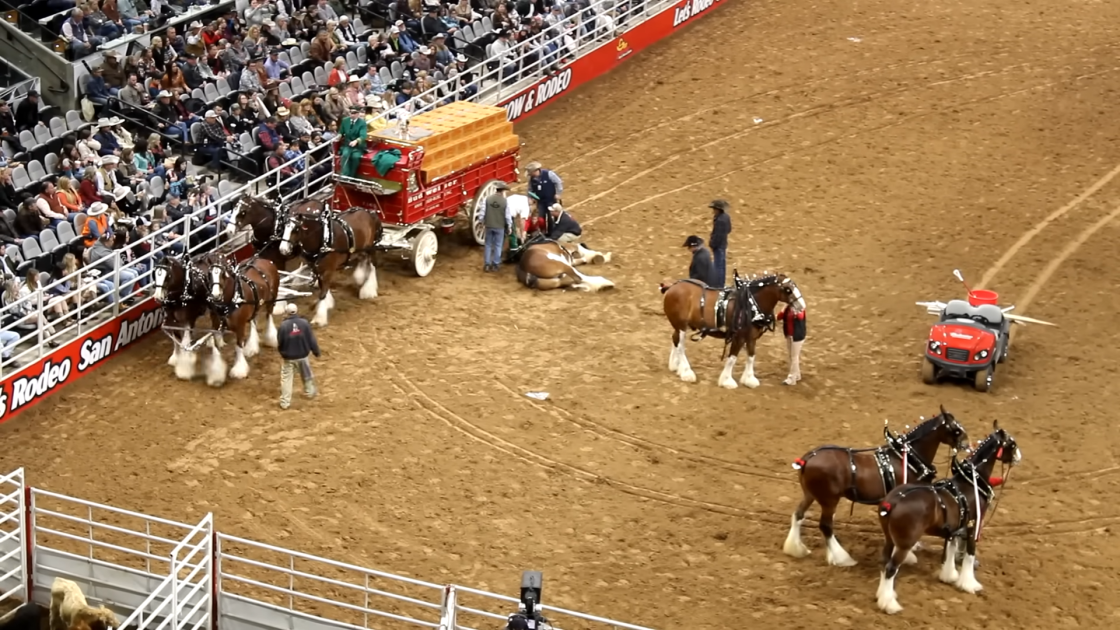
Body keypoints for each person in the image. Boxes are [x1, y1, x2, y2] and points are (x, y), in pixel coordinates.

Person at [277, 302, 320, 410]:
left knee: (286, 380)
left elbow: (280, 341)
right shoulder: (304, 323)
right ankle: (310, 392)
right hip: (303, 355)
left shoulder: (283, 326)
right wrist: (316, 351)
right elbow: (311, 339)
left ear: (287, 313)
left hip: (289, 357)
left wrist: (282, 352)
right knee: (307, 374)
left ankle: (285, 402)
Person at [526, 161, 563, 232]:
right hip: (540, 202)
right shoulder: (532, 179)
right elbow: (530, 189)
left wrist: (558, 193)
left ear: (535, 171)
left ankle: (552, 233)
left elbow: (558, 182)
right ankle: (542, 233)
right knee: (540, 218)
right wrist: (530, 198)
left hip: (551, 200)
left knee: (551, 218)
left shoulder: (549, 174)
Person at [482, 182, 510, 272]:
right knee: (498, 245)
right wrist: (509, 226)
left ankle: (487, 264)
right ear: (502, 191)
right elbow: (507, 216)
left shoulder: (487, 199)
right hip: (499, 226)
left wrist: (482, 222)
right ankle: (495, 265)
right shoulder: (505, 201)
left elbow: (482, 212)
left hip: (489, 225)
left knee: (488, 244)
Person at [776, 302, 806, 386]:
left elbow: (800, 316)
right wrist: (784, 307)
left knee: (794, 357)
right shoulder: (787, 307)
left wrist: (795, 308)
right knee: (792, 356)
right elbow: (779, 317)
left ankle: (792, 379)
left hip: (797, 336)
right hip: (789, 335)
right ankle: (797, 375)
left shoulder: (800, 306)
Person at [338, 106, 366, 178]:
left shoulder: (362, 123)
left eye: (354, 113)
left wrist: (356, 141)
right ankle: (345, 176)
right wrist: (339, 136)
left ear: (358, 114)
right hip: (347, 144)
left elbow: (363, 135)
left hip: (357, 146)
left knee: (355, 157)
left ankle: (352, 176)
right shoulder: (345, 121)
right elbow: (341, 132)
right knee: (345, 155)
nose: (352, 115)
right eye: (351, 113)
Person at [709, 199, 731, 288]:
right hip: (723, 244)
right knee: (722, 265)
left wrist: (713, 244)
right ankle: (721, 284)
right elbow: (729, 229)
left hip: (718, 245)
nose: (713, 211)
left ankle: (718, 285)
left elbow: (717, 235)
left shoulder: (719, 220)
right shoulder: (726, 217)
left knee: (718, 266)